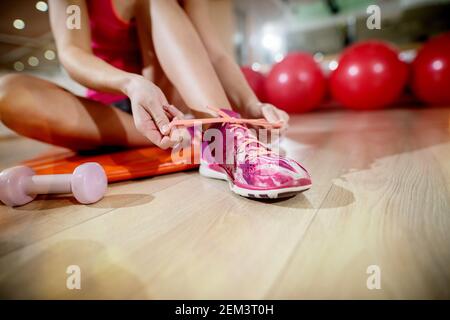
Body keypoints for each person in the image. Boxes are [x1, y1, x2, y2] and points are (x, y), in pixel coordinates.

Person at [0, 0, 311, 199]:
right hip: (114, 108)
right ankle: (192, 135)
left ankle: (220, 133)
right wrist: (131, 85)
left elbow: (215, 54)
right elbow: (71, 53)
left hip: (171, 104)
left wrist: (250, 105)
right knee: (9, 93)